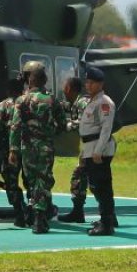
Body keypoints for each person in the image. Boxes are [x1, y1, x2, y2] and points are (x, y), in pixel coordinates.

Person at [9, 62, 66, 234]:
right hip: (45, 147)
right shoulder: (52, 99)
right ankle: (40, 217)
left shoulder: (21, 100)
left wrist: (13, 150)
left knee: (32, 181)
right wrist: (48, 131)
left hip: (27, 148)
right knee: (44, 180)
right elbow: (62, 124)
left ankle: (35, 214)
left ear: (29, 79)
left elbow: (15, 126)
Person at [79, 66, 118, 236]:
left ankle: (107, 223)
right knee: (96, 185)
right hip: (90, 147)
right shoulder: (92, 101)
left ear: (100, 84)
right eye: (87, 82)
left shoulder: (104, 103)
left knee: (102, 186)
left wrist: (98, 151)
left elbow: (106, 128)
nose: (88, 85)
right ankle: (106, 219)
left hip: (98, 149)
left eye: (92, 83)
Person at [0, 78, 27, 227]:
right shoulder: (28, 102)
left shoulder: (3, 105)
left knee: (11, 182)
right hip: (28, 148)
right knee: (31, 182)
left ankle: (19, 212)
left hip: (10, 149)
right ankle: (34, 212)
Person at [58, 77, 91, 223]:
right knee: (85, 178)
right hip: (89, 145)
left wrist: (67, 125)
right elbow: (65, 107)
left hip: (93, 145)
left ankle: (79, 212)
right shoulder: (76, 103)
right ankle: (78, 212)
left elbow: (85, 121)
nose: (63, 90)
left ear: (69, 89)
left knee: (80, 177)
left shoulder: (83, 102)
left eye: (65, 87)